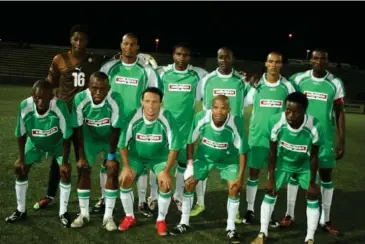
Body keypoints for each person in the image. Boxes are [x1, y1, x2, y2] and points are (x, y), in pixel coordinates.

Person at [34, 24, 104, 211]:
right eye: (75, 38)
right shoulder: (60, 59)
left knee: (85, 158)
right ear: (70, 40)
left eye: (82, 39)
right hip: (64, 116)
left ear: (88, 41)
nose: (79, 42)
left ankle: (94, 198)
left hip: (86, 118)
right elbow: (49, 85)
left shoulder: (94, 61)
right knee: (59, 159)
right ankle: (50, 195)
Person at [281, 49, 345, 236]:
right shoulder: (298, 80)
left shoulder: (335, 83)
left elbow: (340, 112)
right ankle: (289, 214)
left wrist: (342, 140)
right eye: (315, 58)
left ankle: (325, 220)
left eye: (322, 58)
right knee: (294, 175)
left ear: (327, 61)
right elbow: (286, 97)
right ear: (310, 60)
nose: (318, 61)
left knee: (325, 177)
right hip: (300, 137)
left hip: (324, 139)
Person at [170, 95, 248, 243]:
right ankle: (183, 222)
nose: (219, 111)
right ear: (211, 108)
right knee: (189, 183)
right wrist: (190, 165)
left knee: (234, 187)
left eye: (223, 108)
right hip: (204, 157)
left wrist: (240, 176)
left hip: (228, 159)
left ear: (229, 110)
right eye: (216, 107)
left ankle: (231, 227)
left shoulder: (235, 122)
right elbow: (191, 141)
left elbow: (242, 151)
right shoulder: (201, 117)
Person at [100, 33, 161, 217]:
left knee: (139, 163)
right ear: (121, 45)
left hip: (136, 125)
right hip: (111, 124)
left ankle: (141, 202)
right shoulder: (109, 68)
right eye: (125, 43)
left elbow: (155, 95)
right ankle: (103, 198)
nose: (128, 47)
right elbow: (99, 91)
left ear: (137, 48)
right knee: (107, 161)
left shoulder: (147, 71)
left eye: (132, 44)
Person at [251, 92, 324, 244]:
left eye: (295, 112)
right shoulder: (276, 122)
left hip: (304, 164)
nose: (290, 115)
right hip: (283, 163)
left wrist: (312, 182)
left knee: (312, 196)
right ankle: (262, 233)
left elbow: (314, 156)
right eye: (287, 111)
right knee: (270, 192)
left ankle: (309, 238)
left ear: (304, 111)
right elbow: (272, 152)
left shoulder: (315, 126)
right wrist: (271, 178)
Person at [148, 43, 207, 212]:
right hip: (164, 128)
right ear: (173, 55)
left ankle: (178, 196)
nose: (182, 58)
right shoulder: (163, 73)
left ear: (189, 57)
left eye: (185, 55)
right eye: (178, 54)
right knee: (157, 162)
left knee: (182, 164)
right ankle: (153, 195)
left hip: (186, 130)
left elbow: (212, 83)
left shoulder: (198, 74)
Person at [5, 80, 73, 227]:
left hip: (57, 144)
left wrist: (65, 162)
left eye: (45, 97)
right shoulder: (24, 106)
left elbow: (67, 136)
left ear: (52, 96)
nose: (40, 101)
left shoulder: (59, 106)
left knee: (66, 173)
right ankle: (20, 210)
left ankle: (63, 212)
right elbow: (21, 134)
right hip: (35, 143)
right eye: (37, 97)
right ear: (32, 96)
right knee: (20, 170)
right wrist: (21, 159)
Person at [241, 52, 296, 227]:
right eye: (270, 61)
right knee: (253, 174)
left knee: (274, 176)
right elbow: (244, 103)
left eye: (277, 62)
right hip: (257, 138)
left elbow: (295, 110)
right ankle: (250, 210)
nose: (273, 65)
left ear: (282, 65)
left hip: (279, 140)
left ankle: (269, 214)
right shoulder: (256, 85)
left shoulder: (288, 86)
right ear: (265, 63)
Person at [117, 87, 181, 236]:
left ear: (160, 103)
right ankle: (129, 216)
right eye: (147, 101)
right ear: (142, 102)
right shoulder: (134, 115)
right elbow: (122, 144)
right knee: (124, 179)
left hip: (159, 158)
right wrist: (126, 167)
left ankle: (161, 220)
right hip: (136, 157)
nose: (151, 106)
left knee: (165, 183)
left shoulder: (167, 117)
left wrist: (166, 172)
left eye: (155, 102)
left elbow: (175, 147)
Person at [194, 47, 247, 221]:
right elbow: (203, 105)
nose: (224, 60)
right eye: (220, 57)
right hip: (210, 133)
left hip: (232, 134)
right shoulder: (208, 80)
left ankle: (235, 211)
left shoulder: (241, 81)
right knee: (201, 171)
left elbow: (245, 104)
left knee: (233, 177)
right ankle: (200, 203)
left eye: (227, 57)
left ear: (233, 59)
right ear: (217, 59)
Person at [69, 72, 124, 231]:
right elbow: (77, 129)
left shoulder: (115, 99)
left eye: (102, 89)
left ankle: (108, 217)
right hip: (89, 139)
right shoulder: (80, 99)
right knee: (83, 169)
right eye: (94, 88)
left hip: (110, 139)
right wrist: (81, 156)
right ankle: (84, 214)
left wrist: (111, 156)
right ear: (89, 87)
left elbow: (115, 129)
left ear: (109, 88)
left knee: (112, 170)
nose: (98, 92)